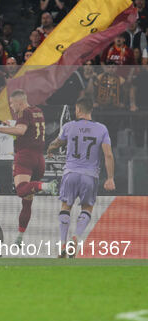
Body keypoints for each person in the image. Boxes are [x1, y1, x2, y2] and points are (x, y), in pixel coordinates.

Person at [46, 97, 115, 257]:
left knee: (65, 207)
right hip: (90, 176)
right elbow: (108, 155)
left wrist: (50, 148)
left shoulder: (69, 126)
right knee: (87, 208)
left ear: (78, 109)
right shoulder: (102, 129)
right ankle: (76, 236)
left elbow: (56, 143)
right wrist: (110, 177)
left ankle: (63, 244)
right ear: (91, 110)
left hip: (70, 173)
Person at [0, 90, 58, 247]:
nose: (12, 106)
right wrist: (11, 125)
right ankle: (19, 237)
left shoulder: (24, 112)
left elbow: (21, 131)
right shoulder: (37, 111)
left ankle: (46, 186)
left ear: (20, 103)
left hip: (25, 157)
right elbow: (28, 129)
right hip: (39, 159)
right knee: (26, 202)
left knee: (21, 190)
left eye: (12, 103)